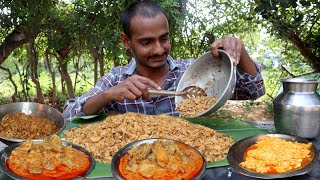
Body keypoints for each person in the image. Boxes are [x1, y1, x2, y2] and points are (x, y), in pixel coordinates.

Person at [63, 0, 265, 121]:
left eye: (164, 38)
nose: (159, 49)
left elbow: (255, 91)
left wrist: (241, 52)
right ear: (127, 41)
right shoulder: (117, 79)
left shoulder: (194, 75)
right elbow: (69, 115)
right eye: (146, 42)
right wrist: (107, 96)